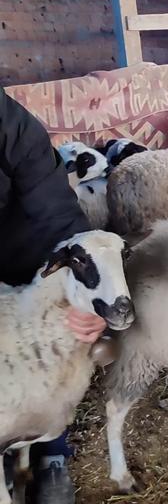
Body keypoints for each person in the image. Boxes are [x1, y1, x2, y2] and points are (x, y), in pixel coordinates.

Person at [1, 86, 108, 504]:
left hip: (20, 249)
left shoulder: (12, 124)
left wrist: (85, 292)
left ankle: (52, 447)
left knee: (53, 337)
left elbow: (56, 212)